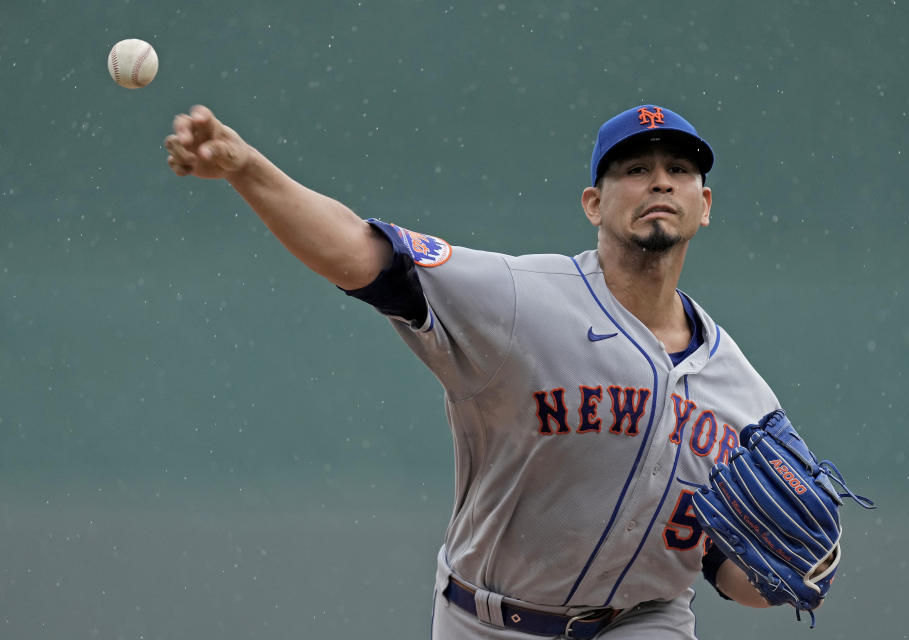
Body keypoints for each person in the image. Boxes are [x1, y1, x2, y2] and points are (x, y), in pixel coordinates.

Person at [165, 104, 784, 639]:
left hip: (646, 621)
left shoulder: (743, 396)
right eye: (635, 170)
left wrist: (790, 571)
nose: (660, 183)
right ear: (594, 204)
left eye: (679, 170)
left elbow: (728, 568)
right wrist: (248, 170)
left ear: (704, 205)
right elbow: (359, 254)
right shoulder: (522, 300)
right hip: (491, 621)